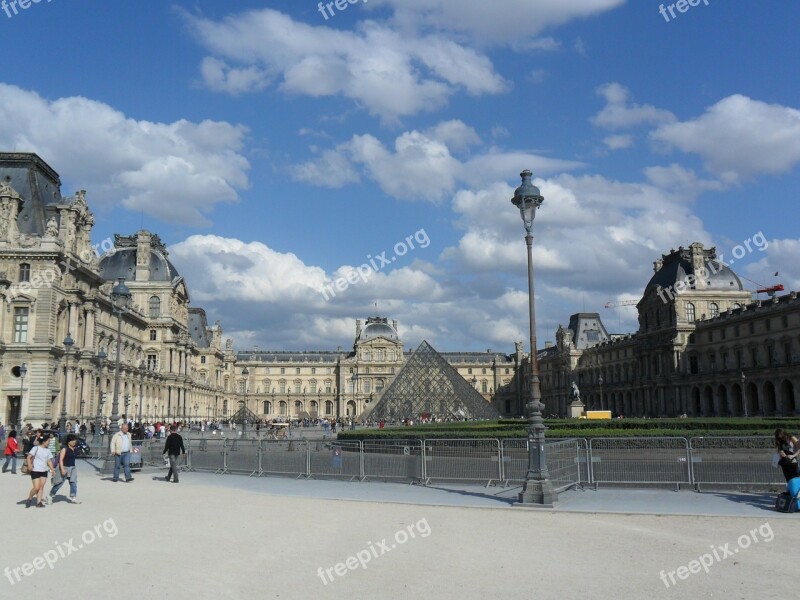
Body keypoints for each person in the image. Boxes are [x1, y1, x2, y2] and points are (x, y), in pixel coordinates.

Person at [48, 434, 81, 504]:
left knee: (73, 483)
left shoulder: (75, 449)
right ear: (68, 441)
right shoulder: (64, 449)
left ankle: (73, 497)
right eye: (72, 440)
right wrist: (62, 469)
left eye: (74, 439)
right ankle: (50, 495)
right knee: (59, 483)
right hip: (64, 467)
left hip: (72, 468)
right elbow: (61, 460)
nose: (74, 441)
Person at [26, 432, 55, 508]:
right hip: (35, 470)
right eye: (48, 441)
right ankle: (29, 498)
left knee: (41, 487)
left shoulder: (48, 451)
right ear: (44, 441)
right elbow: (29, 457)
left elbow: (49, 461)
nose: (49, 443)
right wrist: (29, 465)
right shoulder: (36, 448)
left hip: (44, 470)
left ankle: (39, 503)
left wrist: (52, 469)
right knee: (36, 487)